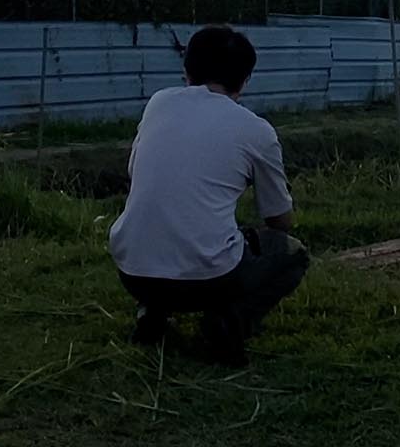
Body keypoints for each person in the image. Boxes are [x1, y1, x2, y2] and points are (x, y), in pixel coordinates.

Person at [107, 24, 309, 366]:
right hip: (207, 280)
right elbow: (279, 220)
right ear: (245, 80)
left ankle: (150, 315)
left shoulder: (159, 103)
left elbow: (137, 175)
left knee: (167, 224)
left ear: (186, 72)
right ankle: (227, 324)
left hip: (133, 271)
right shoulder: (256, 131)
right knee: (292, 254)